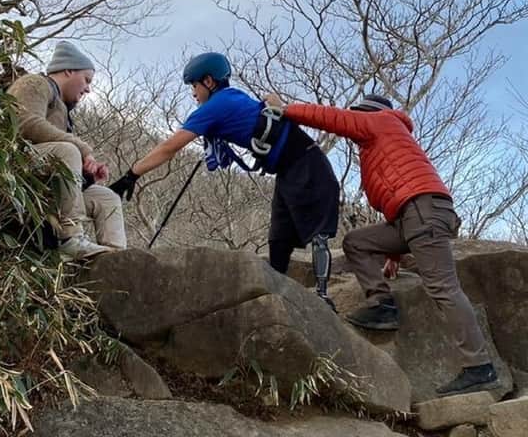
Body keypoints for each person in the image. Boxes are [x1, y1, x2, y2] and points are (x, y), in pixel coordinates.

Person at [264, 90, 497, 397]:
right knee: (356, 242)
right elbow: (397, 203)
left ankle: (479, 367)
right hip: (411, 217)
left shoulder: (381, 121)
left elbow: (334, 119)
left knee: (443, 288)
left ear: (367, 112)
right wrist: (395, 254)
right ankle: (383, 306)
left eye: (358, 114)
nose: (355, 123)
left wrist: (286, 109)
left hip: (423, 212)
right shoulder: (382, 143)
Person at [122, 54, 340, 304]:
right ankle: (278, 298)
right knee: (278, 238)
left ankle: (323, 297)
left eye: (194, 85)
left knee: (317, 233)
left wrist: (132, 174)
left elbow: (169, 147)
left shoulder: (215, 107)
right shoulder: (231, 98)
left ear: (208, 81)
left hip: (307, 163)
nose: (193, 93)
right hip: (289, 169)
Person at [7, 39, 127, 259]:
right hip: (15, 170)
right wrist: (80, 149)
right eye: (86, 79)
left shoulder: (64, 111)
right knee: (68, 151)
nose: (88, 88)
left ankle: (117, 258)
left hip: (48, 184)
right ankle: (71, 238)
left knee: (107, 198)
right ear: (69, 71)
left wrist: (85, 171)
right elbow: (23, 122)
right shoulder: (34, 83)